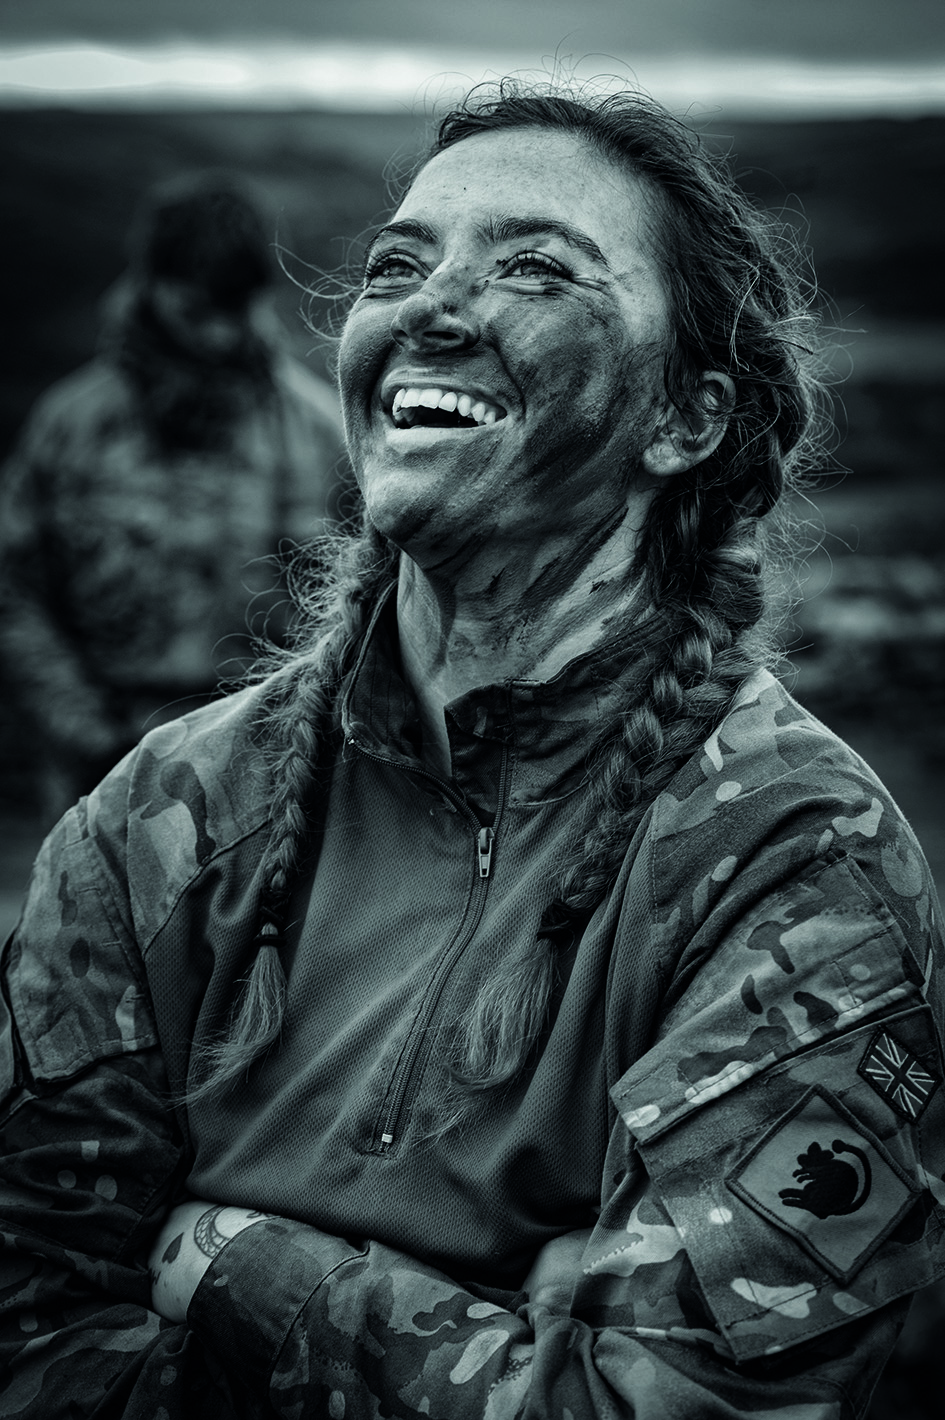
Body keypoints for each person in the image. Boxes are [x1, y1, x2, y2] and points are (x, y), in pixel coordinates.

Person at [1, 80, 943, 1420]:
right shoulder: (160, 816)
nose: (430, 306)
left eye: (534, 270)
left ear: (685, 422)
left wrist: (226, 1261)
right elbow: (22, 1324)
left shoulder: (794, 862)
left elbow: (676, 1407)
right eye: (397, 263)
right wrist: (490, 1338)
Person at [0, 172, 346, 819]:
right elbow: (16, 590)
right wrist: (84, 731)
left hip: (261, 764)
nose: (217, 335)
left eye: (234, 311)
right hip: (96, 771)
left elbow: (367, 602)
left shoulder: (318, 429)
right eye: (195, 311)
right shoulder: (70, 428)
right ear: (150, 286)